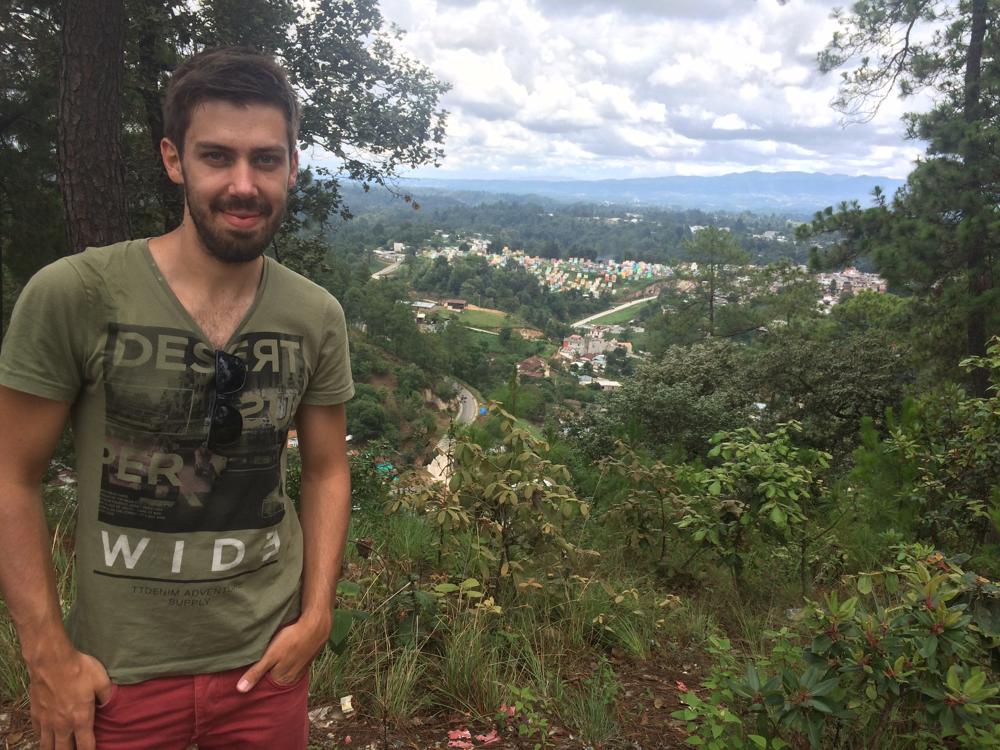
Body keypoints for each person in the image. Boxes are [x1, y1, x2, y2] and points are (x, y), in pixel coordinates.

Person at [0, 47, 354, 749]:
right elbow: (12, 474)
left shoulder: (314, 315)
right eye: (217, 156)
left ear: (292, 164)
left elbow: (326, 468)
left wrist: (316, 616)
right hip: (119, 672)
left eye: (267, 159)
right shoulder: (76, 293)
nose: (244, 184)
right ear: (173, 160)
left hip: (266, 670)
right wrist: (46, 654)